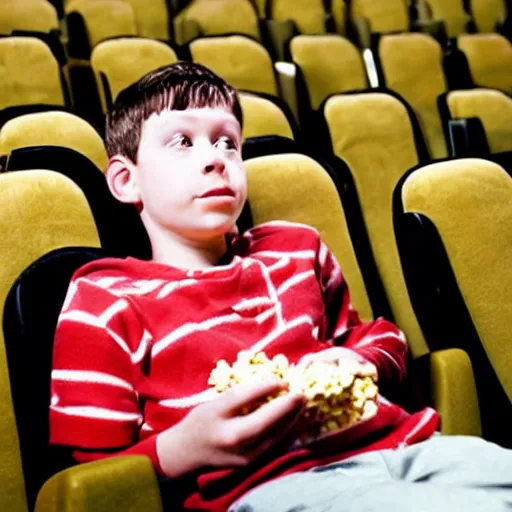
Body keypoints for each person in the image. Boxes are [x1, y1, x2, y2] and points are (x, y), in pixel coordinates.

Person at [49, 62, 512, 512]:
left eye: (228, 143)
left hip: (407, 447)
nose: (215, 159)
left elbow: (376, 336)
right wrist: (182, 448)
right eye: (183, 142)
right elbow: (94, 480)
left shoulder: (296, 249)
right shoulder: (105, 300)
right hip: (273, 488)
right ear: (127, 181)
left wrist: (360, 360)